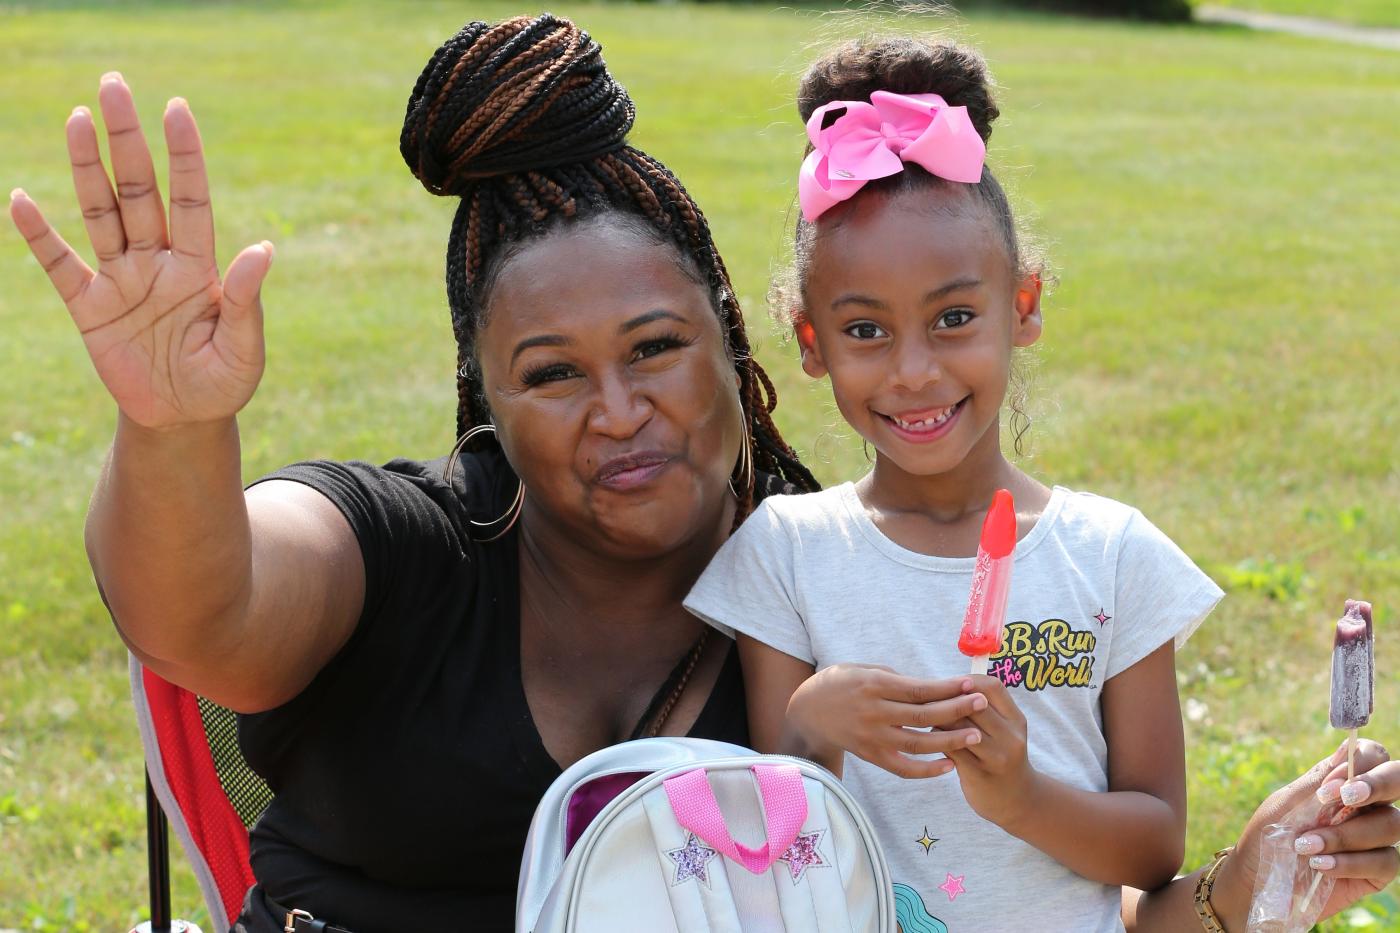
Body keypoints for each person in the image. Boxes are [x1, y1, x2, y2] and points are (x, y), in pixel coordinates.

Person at [7, 13, 1396, 933]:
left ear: (741, 353)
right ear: (486, 398)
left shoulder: (839, 592)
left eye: (658, 347)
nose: (618, 410)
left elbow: (1015, 891)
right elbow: (199, 615)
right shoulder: (415, 546)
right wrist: (176, 427)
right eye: (549, 372)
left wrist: (1239, 885)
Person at [683, 34, 1225, 931]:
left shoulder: (1113, 555)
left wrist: (1020, 795)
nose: (914, 372)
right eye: (865, 331)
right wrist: (812, 729)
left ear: (1025, 305)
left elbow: (1155, 845)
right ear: (810, 343)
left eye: (955, 318)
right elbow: (765, 860)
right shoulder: (786, 554)